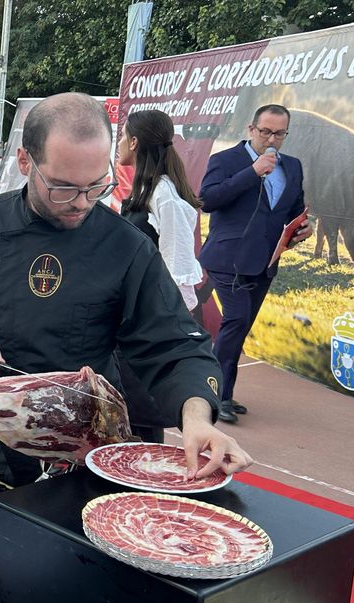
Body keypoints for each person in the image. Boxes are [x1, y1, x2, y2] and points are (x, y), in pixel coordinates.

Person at [0, 92, 250, 487]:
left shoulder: (127, 246)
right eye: (63, 188)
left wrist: (196, 418)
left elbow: (175, 344)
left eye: (97, 186)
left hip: (91, 456)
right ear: (25, 162)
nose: (82, 203)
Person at [198, 104, 308, 424]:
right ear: (251, 129)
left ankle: (224, 392)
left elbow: (292, 210)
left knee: (241, 327)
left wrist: (300, 228)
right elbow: (208, 200)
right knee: (235, 320)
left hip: (264, 262)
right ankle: (213, 396)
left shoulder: (294, 166)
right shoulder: (225, 160)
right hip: (226, 259)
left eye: (279, 133)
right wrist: (252, 172)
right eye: (265, 132)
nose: (271, 139)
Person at [116, 109, 205, 442]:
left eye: (124, 135)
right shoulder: (147, 190)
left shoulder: (165, 197)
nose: (120, 143)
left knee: (141, 422)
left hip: (149, 326)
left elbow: (178, 270)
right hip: (129, 320)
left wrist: (161, 330)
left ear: (135, 141)